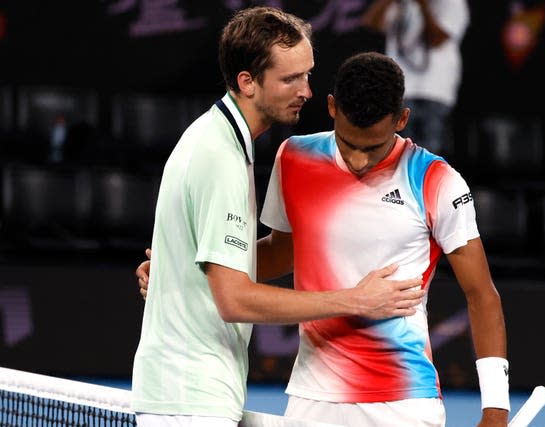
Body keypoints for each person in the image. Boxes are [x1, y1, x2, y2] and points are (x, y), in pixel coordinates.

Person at [138, 51, 509, 426]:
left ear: (402, 119)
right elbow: (279, 255)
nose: (360, 161)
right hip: (310, 396)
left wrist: (495, 410)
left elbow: (481, 294)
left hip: (402, 401)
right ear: (331, 107)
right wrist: (183, 270)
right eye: (350, 144)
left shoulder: (437, 181)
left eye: (373, 148)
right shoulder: (295, 157)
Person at [131, 8, 425, 427]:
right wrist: (354, 300)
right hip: (190, 400)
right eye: (290, 79)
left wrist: (177, 272)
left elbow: (249, 260)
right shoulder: (220, 158)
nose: (306, 90)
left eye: (307, 74)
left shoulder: (217, 139)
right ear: (247, 82)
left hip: (189, 395)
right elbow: (234, 299)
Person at [361, 0, 469, 155]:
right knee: (397, 157)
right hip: (400, 91)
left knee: (429, 156)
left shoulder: (452, 3)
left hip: (435, 91)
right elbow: (371, 22)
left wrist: (423, 5)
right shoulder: (403, 4)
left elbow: (437, 39)